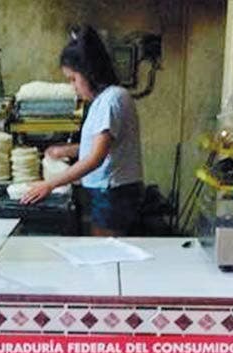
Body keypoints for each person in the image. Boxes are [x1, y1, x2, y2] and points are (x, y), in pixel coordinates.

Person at [20, 26, 143, 237]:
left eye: (73, 79)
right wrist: (64, 151)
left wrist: (50, 184)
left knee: (107, 251)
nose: (73, 87)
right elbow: (102, 146)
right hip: (109, 192)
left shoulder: (111, 100)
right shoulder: (104, 100)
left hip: (112, 194)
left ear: (89, 73)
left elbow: (96, 158)